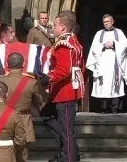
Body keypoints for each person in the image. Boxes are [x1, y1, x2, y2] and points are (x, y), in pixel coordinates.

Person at [40, 10, 84, 162]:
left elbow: (64, 70)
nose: (53, 27)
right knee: (48, 115)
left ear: (63, 28)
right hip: (67, 90)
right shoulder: (74, 42)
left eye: (56, 25)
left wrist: (48, 78)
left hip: (64, 91)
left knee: (67, 129)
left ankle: (70, 156)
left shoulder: (64, 44)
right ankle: (69, 150)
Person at [0, 53, 42, 162]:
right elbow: (38, 102)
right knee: (22, 155)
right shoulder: (31, 82)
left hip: (3, 120)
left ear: (7, 64)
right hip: (23, 121)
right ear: (23, 64)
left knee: (4, 153)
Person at [86, 14, 127, 113]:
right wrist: (103, 45)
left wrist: (114, 44)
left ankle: (114, 108)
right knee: (103, 85)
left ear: (112, 21)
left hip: (115, 63)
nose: (106, 24)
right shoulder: (99, 33)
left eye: (108, 22)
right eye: (104, 22)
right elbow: (94, 47)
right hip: (103, 63)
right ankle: (104, 108)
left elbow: (124, 44)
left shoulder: (119, 32)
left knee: (115, 85)